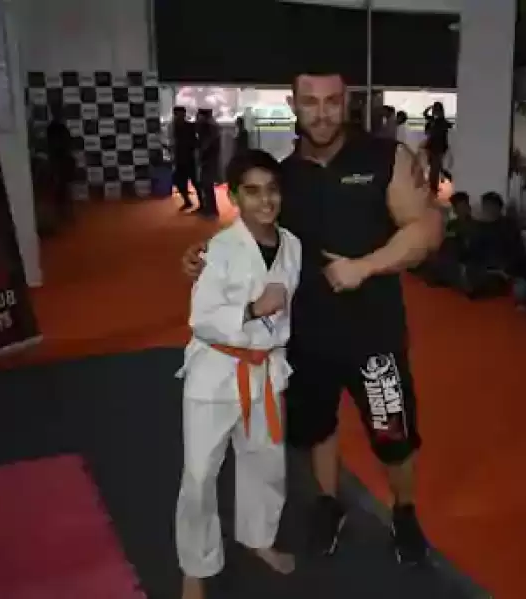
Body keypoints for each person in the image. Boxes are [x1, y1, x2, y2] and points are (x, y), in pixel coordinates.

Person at [181, 68, 443, 564]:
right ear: (293, 105)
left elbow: (427, 229)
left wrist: (364, 267)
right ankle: (328, 503)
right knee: (316, 428)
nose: (321, 113)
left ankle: (405, 512)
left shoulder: (385, 158)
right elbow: (257, 233)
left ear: (347, 102)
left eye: (331, 101)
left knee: (393, 435)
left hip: (374, 335)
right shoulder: (286, 176)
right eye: (310, 101)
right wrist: (206, 256)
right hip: (306, 336)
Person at [175, 150, 301, 599]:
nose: (265, 200)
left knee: (265, 460)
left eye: (272, 190)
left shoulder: (293, 245)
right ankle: (196, 565)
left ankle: (259, 537)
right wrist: (252, 309)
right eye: (252, 191)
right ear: (234, 196)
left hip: (265, 369)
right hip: (216, 371)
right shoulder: (220, 249)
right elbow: (202, 317)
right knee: (199, 474)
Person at [169, 107, 203, 212]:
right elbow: (173, 142)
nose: (178, 117)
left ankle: (202, 204)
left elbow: (197, 142)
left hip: (189, 158)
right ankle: (188, 202)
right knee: (180, 182)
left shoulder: (190, 126)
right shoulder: (173, 127)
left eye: (180, 114)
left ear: (184, 114)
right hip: (180, 158)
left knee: (195, 183)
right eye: (177, 115)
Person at [46, 103, 75, 221]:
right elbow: (63, 145)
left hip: (62, 161)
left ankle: (64, 212)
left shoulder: (56, 128)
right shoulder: (54, 129)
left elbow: (68, 144)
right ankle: (62, 213)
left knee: (64, 188)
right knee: (60, 188)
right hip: (58, 161)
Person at [195, 108, 220, 217]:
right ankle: (210, 209)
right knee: (206, 186)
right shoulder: (212, 126)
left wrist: (201, 156)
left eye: (198, 116)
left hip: (208, 161)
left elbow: (206, 145)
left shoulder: (209, 128)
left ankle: (211, 210)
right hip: (210, 160)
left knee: (207, 186)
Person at [422, 102, 451, 195]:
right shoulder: (437, 121)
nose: (435, 111)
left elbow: (425, 114)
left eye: (436, 109)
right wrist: (431, 107)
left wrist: (431, 107)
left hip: (437, 148)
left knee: (435, 168)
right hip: (434, 147)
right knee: (434, 168)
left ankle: (433, 188)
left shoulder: (440, 122)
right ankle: (433, 187)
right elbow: (425, 114)